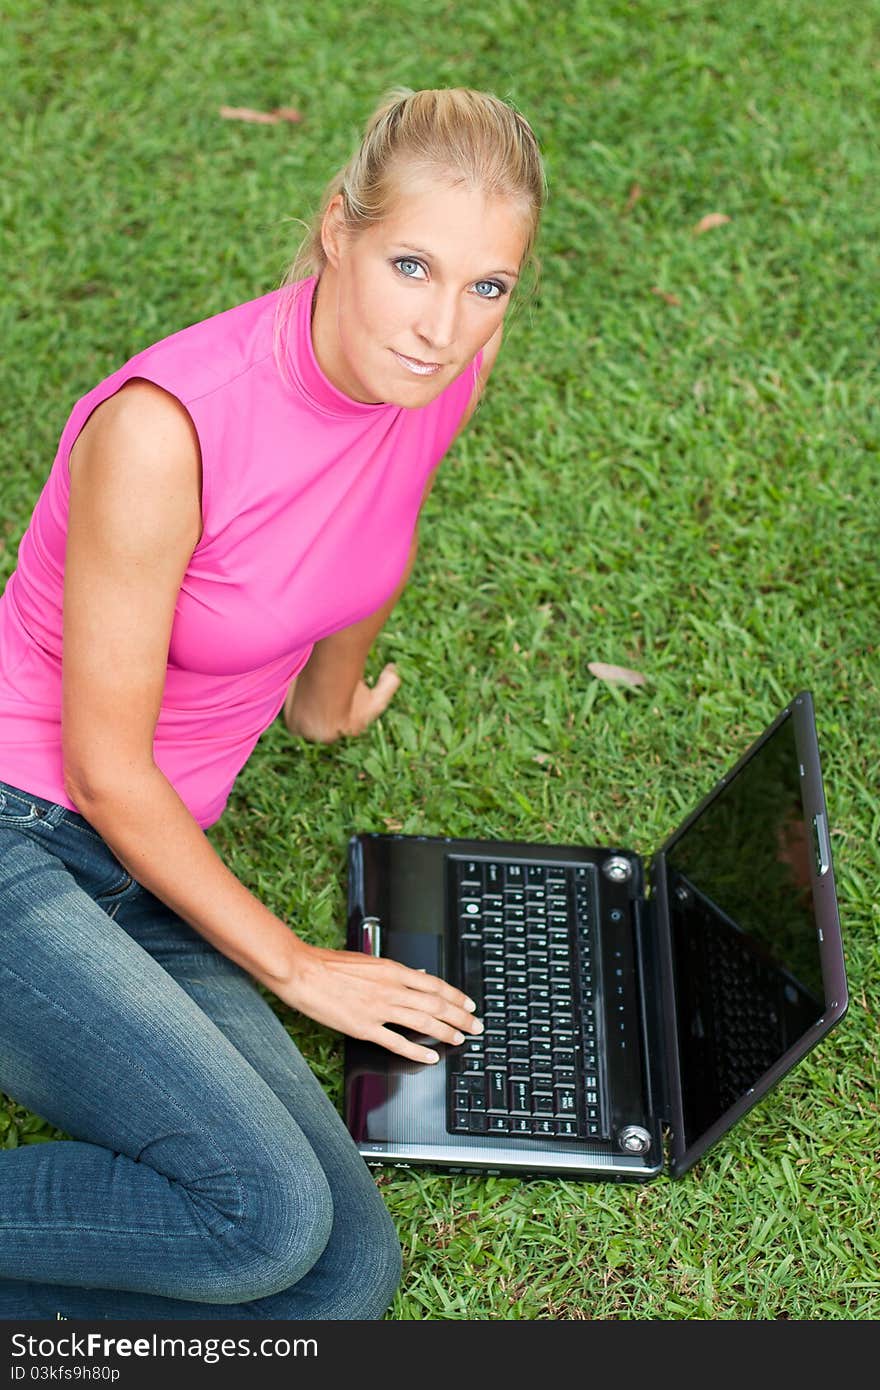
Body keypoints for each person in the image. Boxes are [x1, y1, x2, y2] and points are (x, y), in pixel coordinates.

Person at [0, 87, 545, 1320]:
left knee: (341, 1285)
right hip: (24, 821)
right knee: (262, 1219)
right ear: (335, 228)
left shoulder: (442, 363)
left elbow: (376, 513)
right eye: (411, 264)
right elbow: (100, 770)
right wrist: (298, 967)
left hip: (149, 861)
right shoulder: (166, 429)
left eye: (485, 285)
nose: (442, 325)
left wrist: (325, 700)